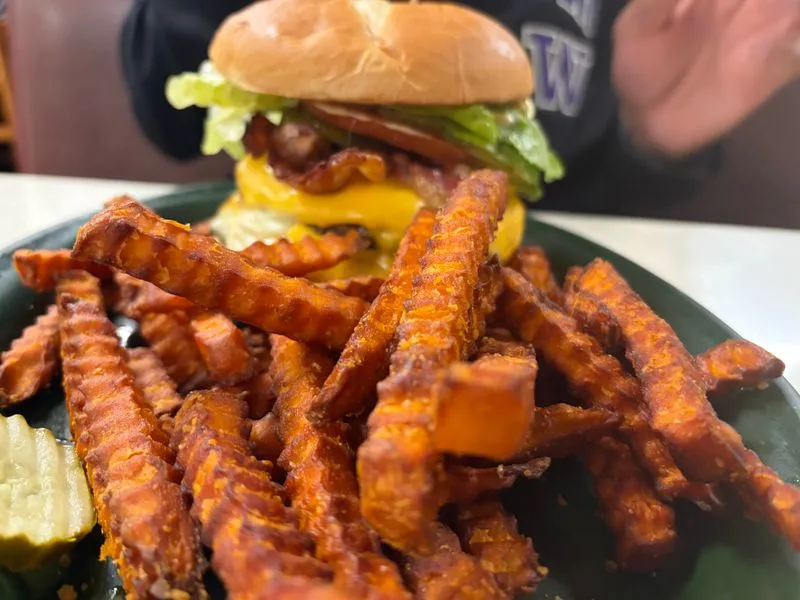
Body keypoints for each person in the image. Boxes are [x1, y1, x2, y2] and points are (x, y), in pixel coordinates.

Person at [120, 0, 799, 217]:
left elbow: (578, 195)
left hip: (514, 258)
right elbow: (167, 112)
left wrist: (649, 139)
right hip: (270, 229)